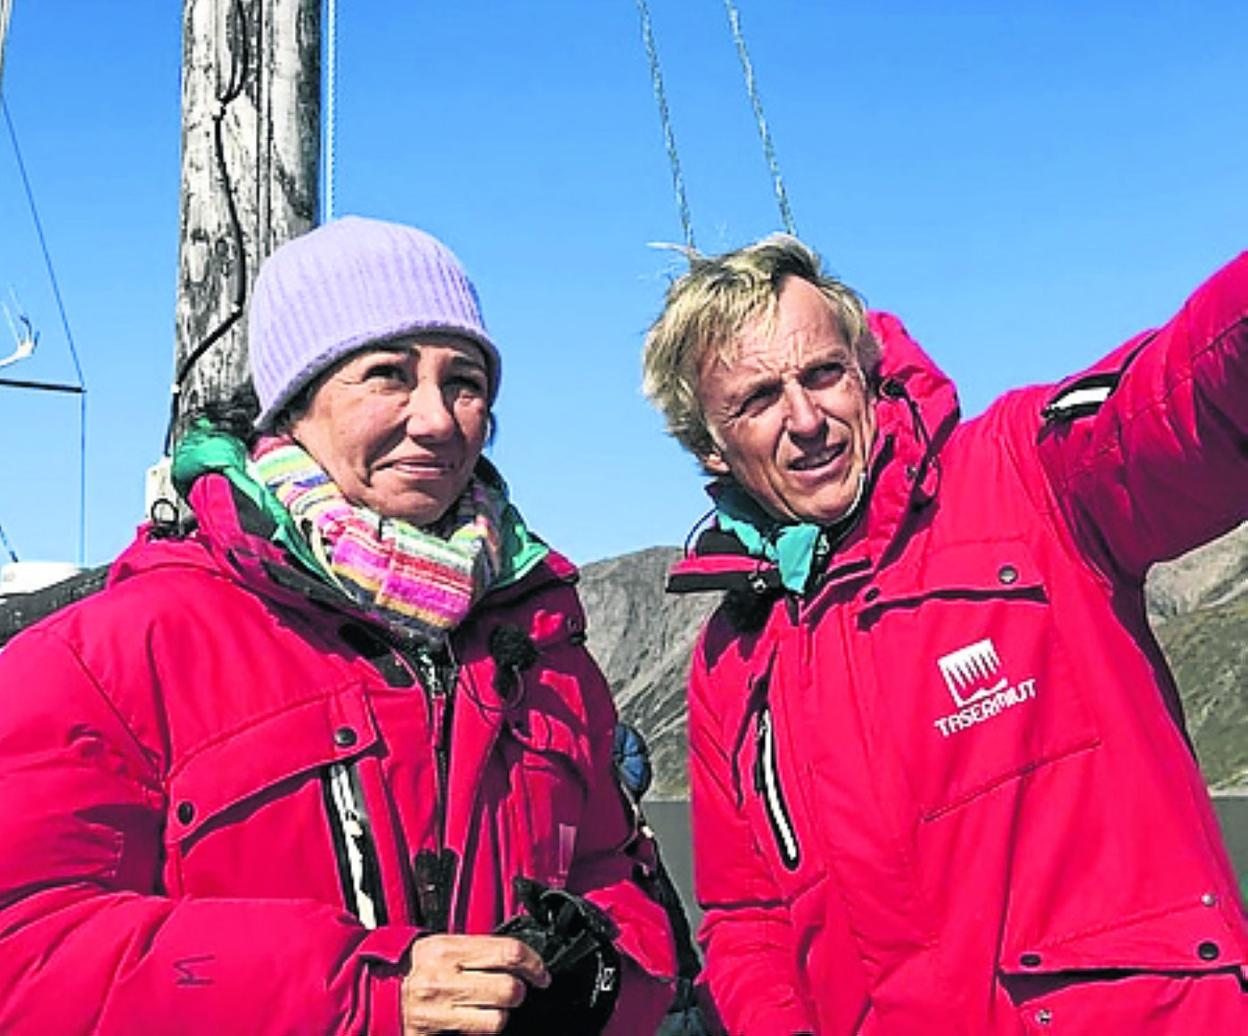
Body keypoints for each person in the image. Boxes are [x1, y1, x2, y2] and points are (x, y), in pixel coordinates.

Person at [0, 215, 675, 1034]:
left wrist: (594, 983)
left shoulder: (544, 650)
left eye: (464, 382)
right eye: (387, 375)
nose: (437, 419)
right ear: (294, 404)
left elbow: (625, 894)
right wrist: (368, 996)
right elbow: (25, 954)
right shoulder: (105, 656)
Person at [641, 233, 1248, 1034]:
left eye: (823, 373)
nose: (806, 419)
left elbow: (1187, 394)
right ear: (710, 446)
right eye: (758, 399)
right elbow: (747, 921)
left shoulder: (1023, 475)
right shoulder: (730, 660)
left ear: (866, 371)